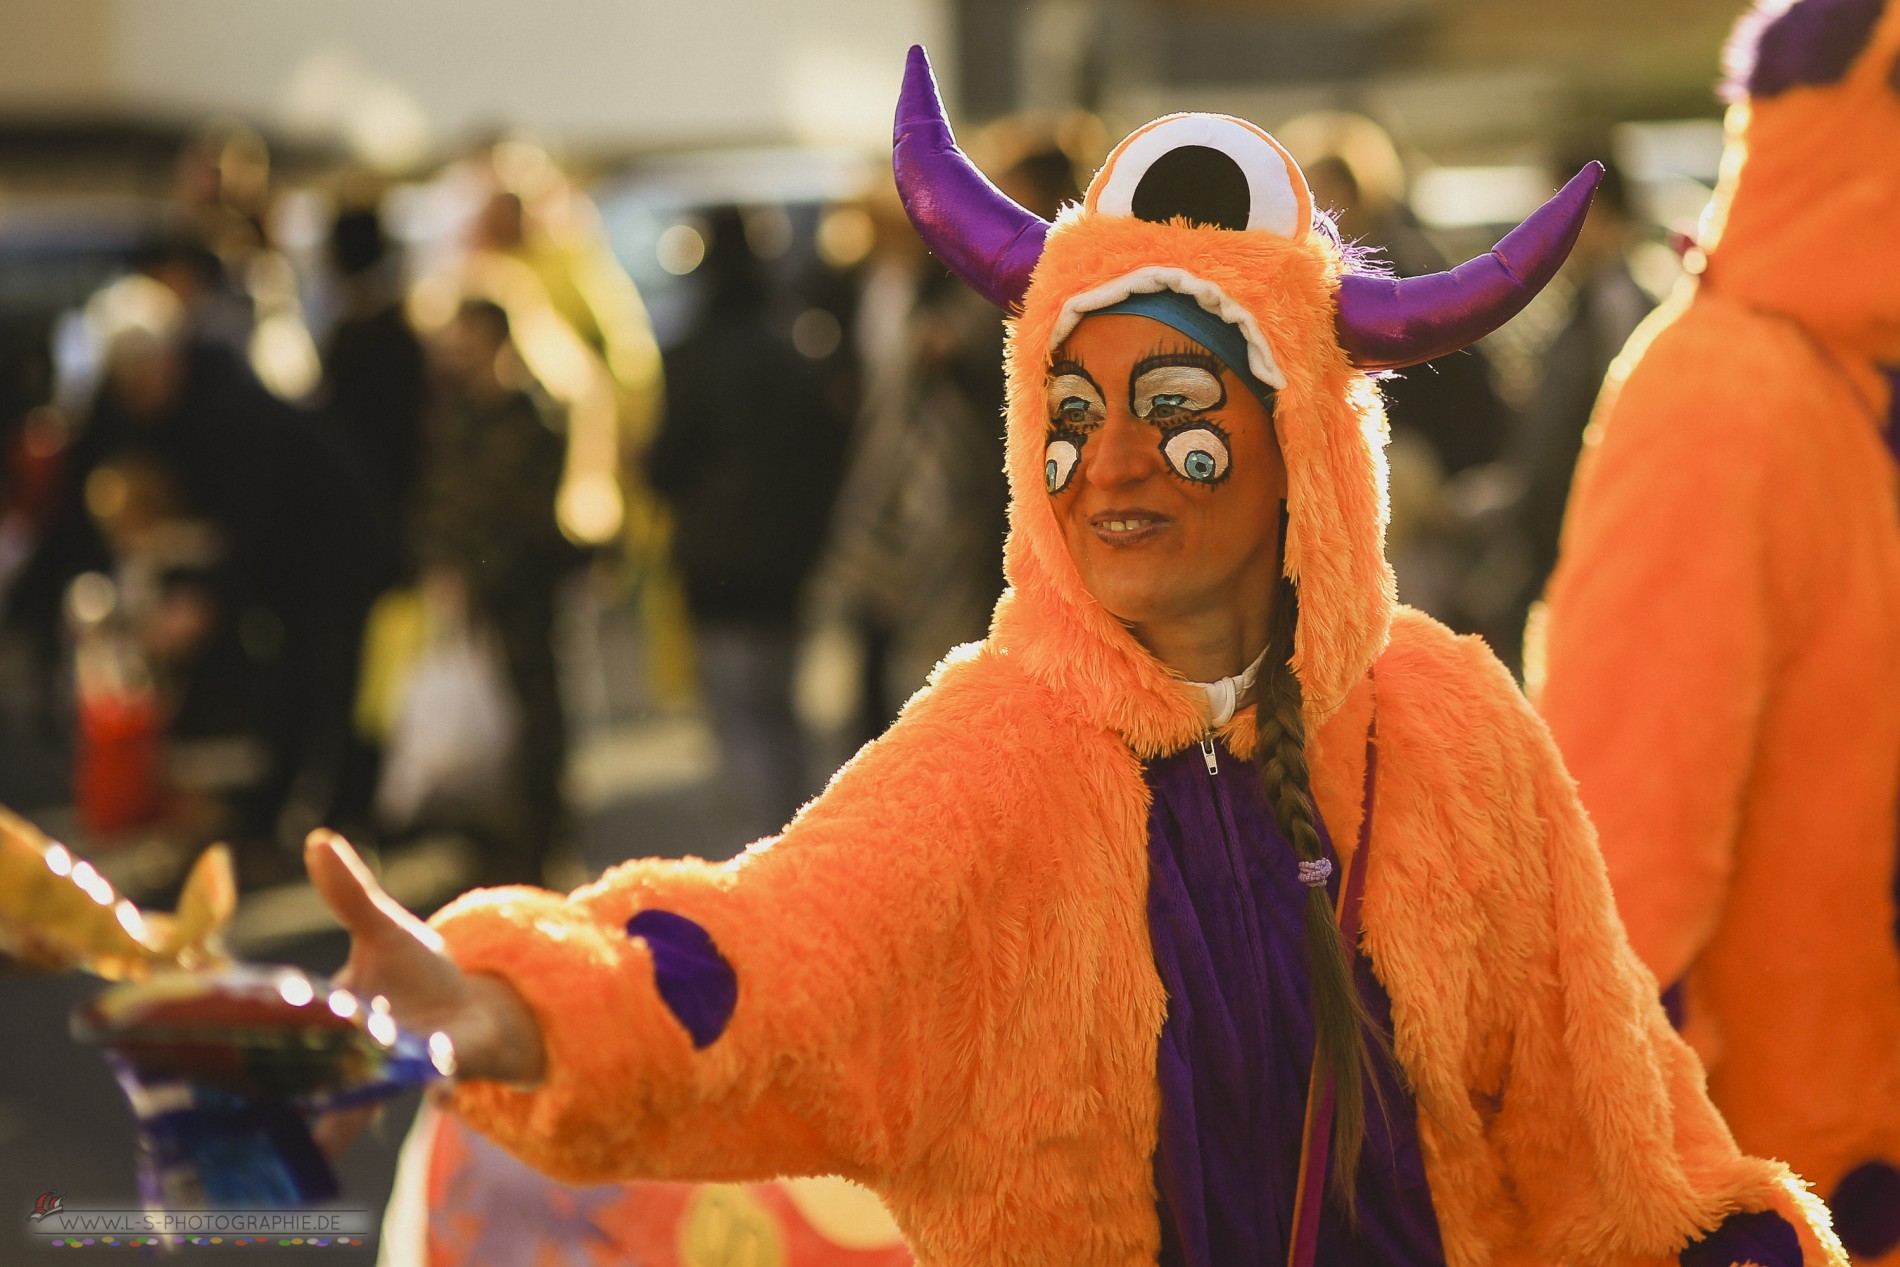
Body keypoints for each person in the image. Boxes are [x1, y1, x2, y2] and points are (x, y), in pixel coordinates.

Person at [306, 49, 1845, 1267]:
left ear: (1301, 438)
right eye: (1067, 411)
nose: (1105, 467)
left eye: (1172, 405)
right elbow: (770, 959)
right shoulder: (1004, 749)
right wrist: (513, 999)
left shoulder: (1454, 730)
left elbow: (1616, 1132)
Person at [1530, 0, 1900, 1258]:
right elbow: (1620, 868)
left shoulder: (1861, 388)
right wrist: (1670, 1199)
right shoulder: (1722, 398)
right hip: (1800, 1185)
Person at [412, 299, 572, 888]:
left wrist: (478, 571)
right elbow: (442, 499)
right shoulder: (458, 413)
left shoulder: (532, 415)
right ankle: (486, 838)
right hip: (471, 593)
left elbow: (521, 514)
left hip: (520, 594)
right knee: (477, 716)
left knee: (529, 718)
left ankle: (536, 844)